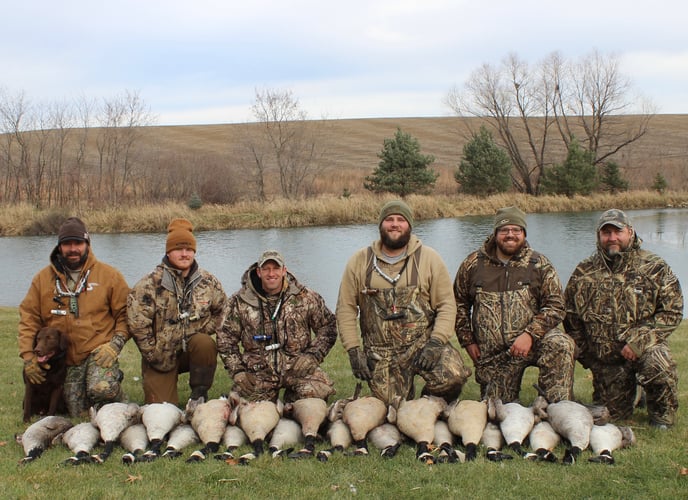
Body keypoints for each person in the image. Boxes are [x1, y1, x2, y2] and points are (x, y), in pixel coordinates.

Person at [336, 200, 471, 406]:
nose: (395, 224)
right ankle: (406, 405)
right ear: (381, 225)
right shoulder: (359, 261)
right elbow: (345, 309)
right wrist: (354, 351)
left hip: (422, 343)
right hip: (381, 351)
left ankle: (430, 405)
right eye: (389, 219)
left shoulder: (429, 258)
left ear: (409, 226)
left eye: (401, 220)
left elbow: (446, 305)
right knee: (390, 408)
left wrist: (436, 343)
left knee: (453, 377)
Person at [564, 209, 683, 429]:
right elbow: (571, 320)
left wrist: (639, 342)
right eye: (606, 233)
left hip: (643, 351)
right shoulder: (583, 272)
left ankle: (660, 414)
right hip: (607, 361)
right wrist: (590, 359)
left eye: (617, 232)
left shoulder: (654, 267)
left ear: (630, 232)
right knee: (612, 416)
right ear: (599, 236)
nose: (612, 238)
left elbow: (672, 311)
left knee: (658, 363)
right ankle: (634, 391)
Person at [453, 206, 575, 404]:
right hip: (496, 355)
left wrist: (529, 335)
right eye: (504, 230)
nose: (510, 235)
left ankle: (556, 407)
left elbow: (556, 306)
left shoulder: (539, 264)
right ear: (495, 233)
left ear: (524, 234)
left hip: (533, 343)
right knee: (498, 412)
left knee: (560, 344)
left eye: (516, 230)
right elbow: (458, 304)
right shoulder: (473, 264)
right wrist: (468, 340)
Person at [18, 217, 130, 417]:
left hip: (97, 353)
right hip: (64, 361)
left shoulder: (109, 276)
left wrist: (115, 345)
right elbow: (29, 318)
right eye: (67, 244)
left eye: (78, 243)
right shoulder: (42, 279)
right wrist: (29, 357)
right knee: (76, 412)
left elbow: (126, 313)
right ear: (59, 247)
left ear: (87, 244)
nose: (73, 249)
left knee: (101, 389)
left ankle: (118, 396)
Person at [128, 218, 228, 406]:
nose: (184, 254)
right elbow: (137, 325)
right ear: (168, 251)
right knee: (160, 411)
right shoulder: (148, 285)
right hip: (160, 357)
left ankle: (199, 393)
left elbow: (224, 311)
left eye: (189, 249)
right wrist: (153, 354)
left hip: (192, 351)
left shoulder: (208, 281)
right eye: (179, 249)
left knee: (204, 343)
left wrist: (205, 329)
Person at [218, 250, 337, 402]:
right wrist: (238, 371)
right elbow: (225, 338)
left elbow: (328, 327)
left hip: (297, 369)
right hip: (258, 372)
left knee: (317, 394)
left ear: (284, 271)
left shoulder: (304, 297)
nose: (271, 273)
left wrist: (313, 355)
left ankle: (293, 403)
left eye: (276, 268)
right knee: (247, 410)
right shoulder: (239, 301)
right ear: (259, 272)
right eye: (266, 269)